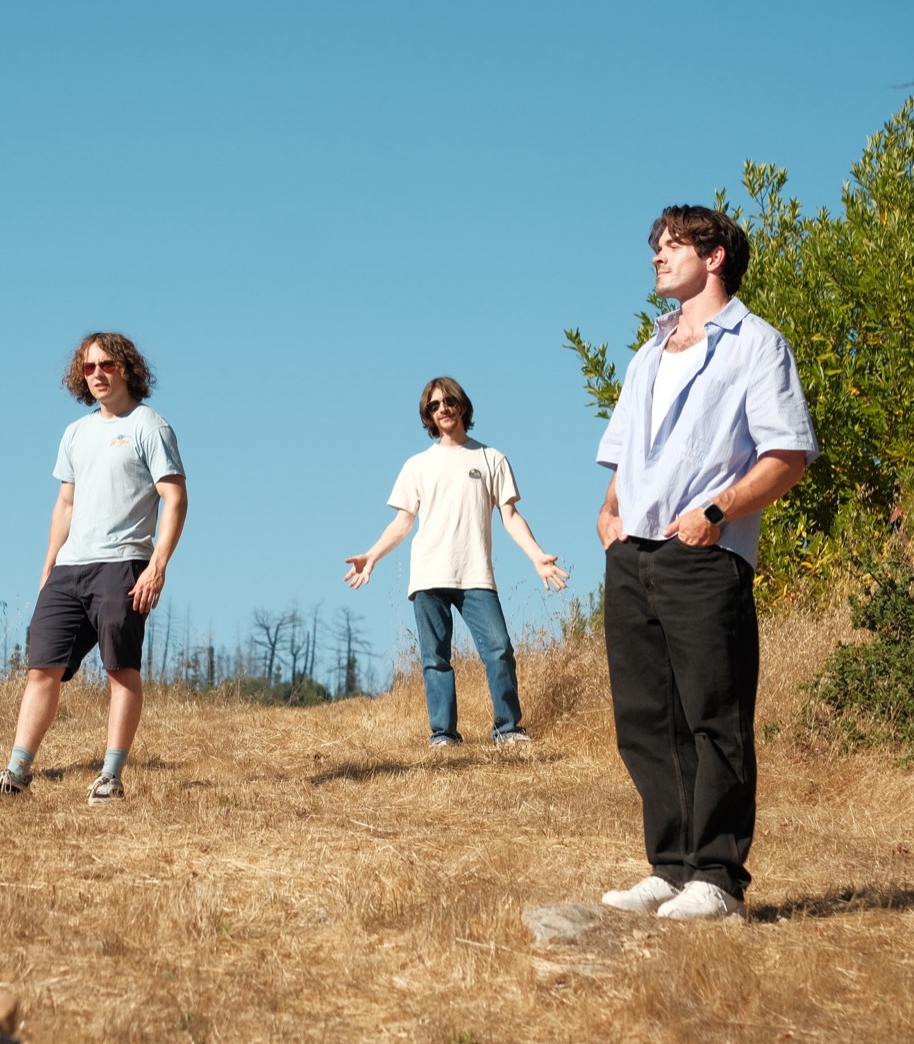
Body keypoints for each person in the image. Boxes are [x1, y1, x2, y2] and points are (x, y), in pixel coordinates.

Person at [595, 206, 817, 921]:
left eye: (672, 245)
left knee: (713, 717)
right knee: (646, 720)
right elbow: (625, 453)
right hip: (633, 556)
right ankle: (670, 868)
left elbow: (787, 456)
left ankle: (717, 878)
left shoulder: (757, 345)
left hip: (704, 555)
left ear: (714, 256)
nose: (657, 256)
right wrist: (609, 513)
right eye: (656, 246)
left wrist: (716, 514)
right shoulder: (648, 353)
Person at [0, 332, 188, 805]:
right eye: (89, 367)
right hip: (70, 569)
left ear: (127, 369)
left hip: (124, 564)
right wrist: (48, 567)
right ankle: (16, 773)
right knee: (41, 669)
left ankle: (110, 777)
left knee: (120, 670)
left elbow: (175, 498)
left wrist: (157, 565)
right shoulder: (75, 432)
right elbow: (65, 504)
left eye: (107, 365)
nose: (97, 374)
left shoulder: (149, 426)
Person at [344, 377, 567, 747]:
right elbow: (402, 523)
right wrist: (373, 555)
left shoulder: (491, 459)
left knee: (499, 650)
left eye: (448, 401)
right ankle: (444, 735)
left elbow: (510, 516)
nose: (443, 409)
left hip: (475, 574)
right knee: (435, 659)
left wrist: (537, 556)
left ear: (461, 405)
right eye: (434, 406)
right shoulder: (417, 465)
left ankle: (507, 729)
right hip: (428, 575)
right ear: (428, 416)